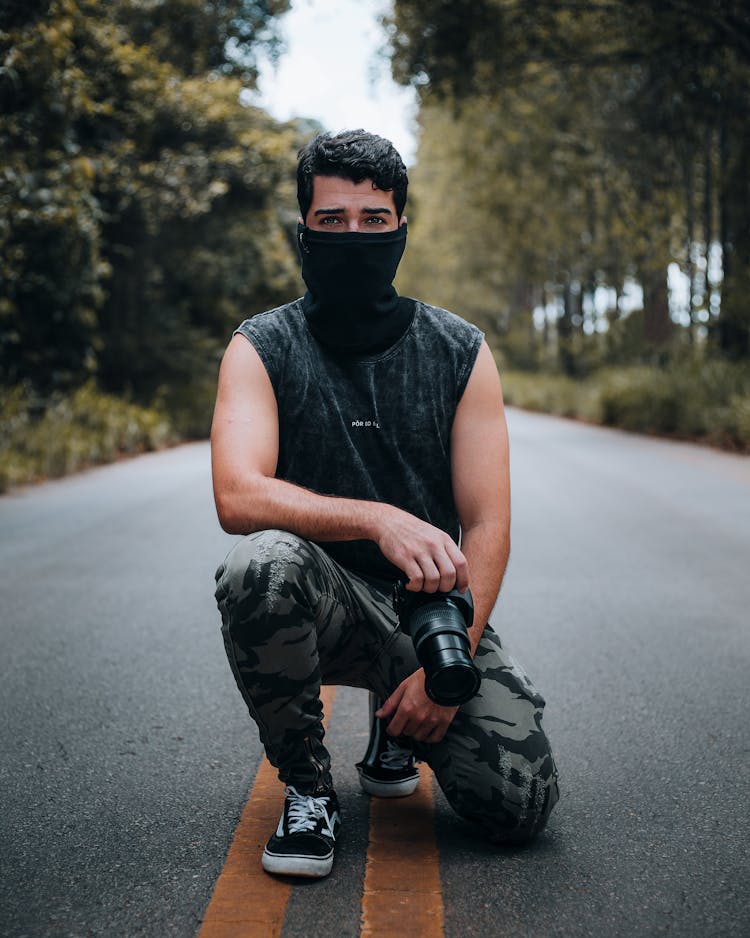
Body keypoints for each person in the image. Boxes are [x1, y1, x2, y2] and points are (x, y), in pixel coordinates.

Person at [211, 129, 559, 878]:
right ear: (302, 231)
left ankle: (395, 725)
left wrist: (451, 663)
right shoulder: (262, 346)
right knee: (259, 562)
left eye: (374, 220)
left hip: (427, 611)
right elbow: (237, 495)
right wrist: (376, 516)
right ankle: (307, 789)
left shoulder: (458, 350)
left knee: (518, 804)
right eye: (331, 221)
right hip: (318, 599)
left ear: (402, 227)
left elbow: (490, 522)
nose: (354, 236)